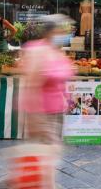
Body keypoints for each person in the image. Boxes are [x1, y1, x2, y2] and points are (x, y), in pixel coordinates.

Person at [20, 14, 75, 143]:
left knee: (50, 154)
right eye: (61, 30)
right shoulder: (37, 50)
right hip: (42, 114)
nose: (64, 34)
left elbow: (62, 80)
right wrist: (35, 119)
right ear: (50, 32)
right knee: (43, 153)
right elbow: (32, 86)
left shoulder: (57, 51)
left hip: (57, 111)